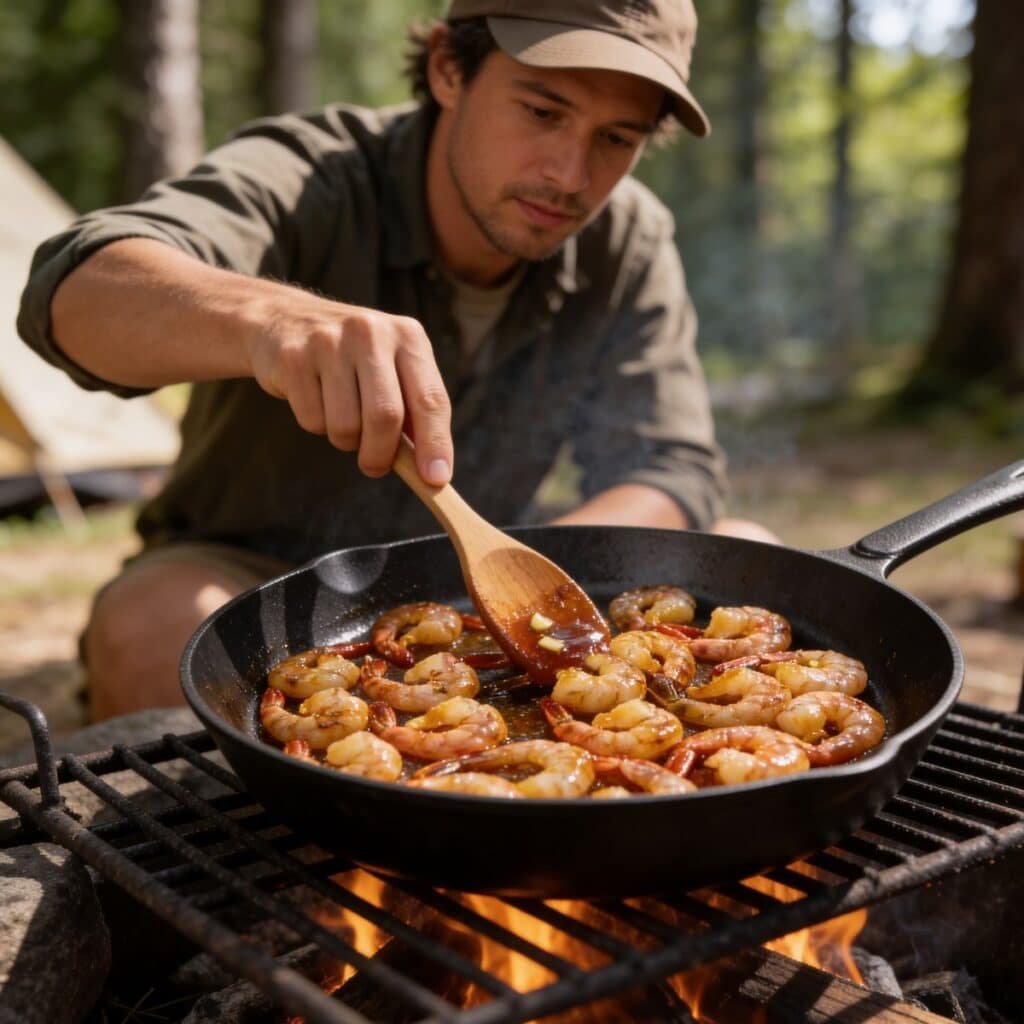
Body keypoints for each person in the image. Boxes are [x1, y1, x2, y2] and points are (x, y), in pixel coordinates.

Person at [18, 0, 773, 721]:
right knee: (153, 624)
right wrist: (272, 319)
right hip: (256, 580)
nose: (571, 176)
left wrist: (523, 583)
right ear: (449, 68)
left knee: (754, 553)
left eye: (617, 138)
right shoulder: (308, 171)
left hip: (484, 582)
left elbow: (669, 469)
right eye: (543, 112)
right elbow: (70, 292)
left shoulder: (628, 242)